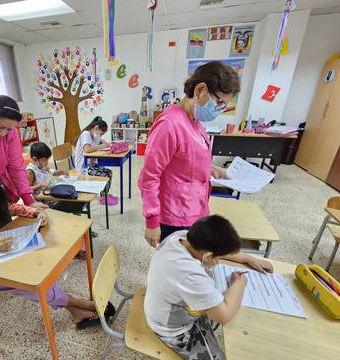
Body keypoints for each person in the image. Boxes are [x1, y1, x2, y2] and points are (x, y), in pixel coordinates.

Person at [0, 164, 114, 328]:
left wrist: (36, 213)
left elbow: (11, 207)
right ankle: (79, 305)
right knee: (33, 282)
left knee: (39, 268)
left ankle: (75, 309)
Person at [138, 61, 241, 247]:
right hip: (174, 216)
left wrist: (213, 168)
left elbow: (187, 158)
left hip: (194, 209)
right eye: (219, 103)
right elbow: (149, 176)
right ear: (200, 90)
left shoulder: (194, 121)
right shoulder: (170, 125)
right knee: (175, 267)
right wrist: (152, 221)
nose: (219, 110)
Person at [144, 215, 273, 360]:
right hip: (172, 328)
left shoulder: (181, 236)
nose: (218, 261)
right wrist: (240, 284)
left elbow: (213, 246)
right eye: (218, 258)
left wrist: (247, 258)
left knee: (220, 308)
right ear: (207, 255)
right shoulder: (189, 275)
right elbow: (224, 316)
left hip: (165, 306)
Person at [74, 116, 117, 205]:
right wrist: (102, 145)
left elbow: (106, 144)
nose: (101, 136)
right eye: (101, 134)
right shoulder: (86, 134)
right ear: (96, 128)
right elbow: (87, 149)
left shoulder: (95, 135)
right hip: (83, 167)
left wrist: (101, 140)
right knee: (106, 174)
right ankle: (103, 197)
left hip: (91, 165)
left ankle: (104, 195)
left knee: (109, 172)